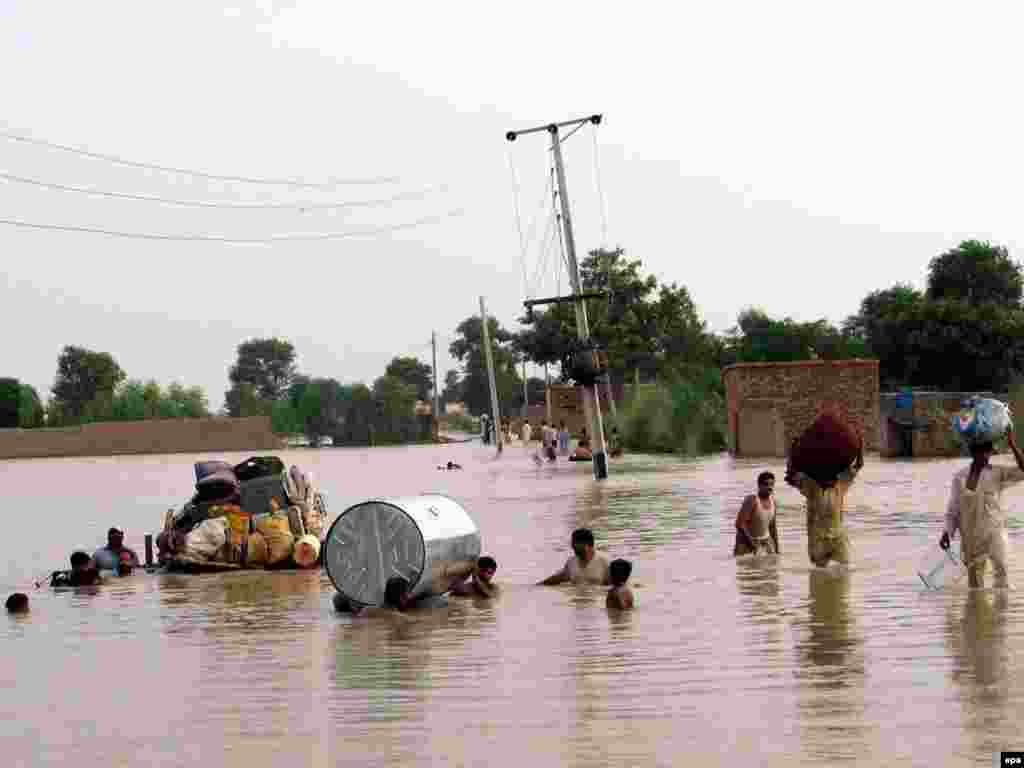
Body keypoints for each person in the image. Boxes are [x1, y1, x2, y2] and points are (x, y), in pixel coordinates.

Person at [940, 428, 1024, 588]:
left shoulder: (997, 473)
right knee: (975, 584)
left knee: (1001, 571)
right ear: (974, 453)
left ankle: (1001, 611)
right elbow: (953, 510)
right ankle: (976, 611)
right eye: (983, 452)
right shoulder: (960, 477)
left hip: (994, 533)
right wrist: (947, 532)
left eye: (988, 452)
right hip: (971, 537)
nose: (986, 456)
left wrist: (1013, 445)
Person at [786, 436, 863, 567]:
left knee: (845, 571)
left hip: (838, 537)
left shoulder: (840, 485)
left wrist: (859, 446)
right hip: (818, 538)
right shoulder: (811, 486)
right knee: (819, 574)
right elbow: (792, 476)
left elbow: (857, 467)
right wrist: (792, 453)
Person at [539, 528, 610, 585]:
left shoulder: (604, 562)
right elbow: (559, 578)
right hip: (575, 601)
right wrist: (536, 587)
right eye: (572, 543)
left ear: (588, 544)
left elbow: (615, 585)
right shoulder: (571, 562)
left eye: (576, 544)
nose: (573, 547)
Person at [734, 472, 780, 556]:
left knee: (772, 566)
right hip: (746, 544)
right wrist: (753, 545)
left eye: (772, 484)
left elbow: (772, 527)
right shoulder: (751, 500)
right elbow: (739, 524)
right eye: (766, 484)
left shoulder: (774, 502)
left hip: (765, 542)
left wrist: (777, 549)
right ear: (759, 486)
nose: (770, 487)